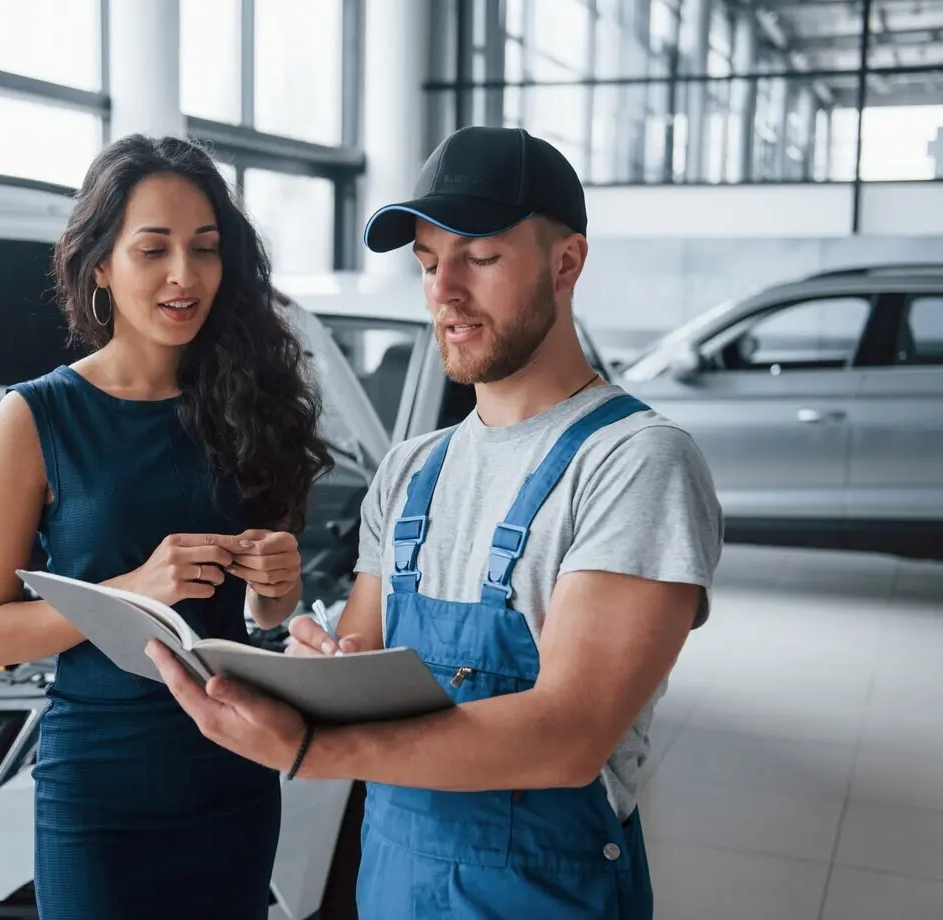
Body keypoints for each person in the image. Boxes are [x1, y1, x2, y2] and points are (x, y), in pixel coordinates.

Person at [145, 125, 725, 919]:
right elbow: (363, 657)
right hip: (394, 886)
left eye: (479, 259)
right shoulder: (411, 470)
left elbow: (568, 735)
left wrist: (314, 746)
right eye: (426, 263)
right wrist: (315, 664)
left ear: (566, 263)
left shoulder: (634, 462)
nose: (443, 290)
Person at [0, 134, 333, 920]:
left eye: (205, 249)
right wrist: (127, 591)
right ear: (99, 264)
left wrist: (278, 587)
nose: (184, 276)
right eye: (153, 249)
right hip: (100, 790)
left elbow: (260, 617)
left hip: (233, 770)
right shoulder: (36, 416)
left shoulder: (247, 402)